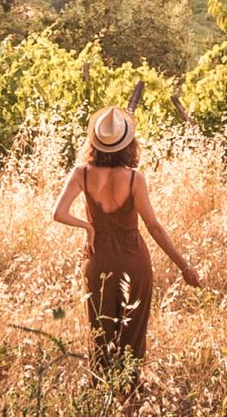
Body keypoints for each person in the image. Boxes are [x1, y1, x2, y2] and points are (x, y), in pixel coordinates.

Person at [51, 102, 200, 375]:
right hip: (134, 261)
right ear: (128, 143)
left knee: (99, 335)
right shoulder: (134, 179)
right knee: (132, 336)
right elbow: (153, 226)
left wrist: (88, 227)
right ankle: (130, 400)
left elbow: (58, 213)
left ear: (94, 141)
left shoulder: (80, 173)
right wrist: (185, 267)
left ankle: (101, 400)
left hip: (98, 260)